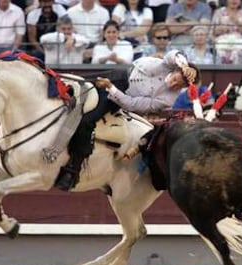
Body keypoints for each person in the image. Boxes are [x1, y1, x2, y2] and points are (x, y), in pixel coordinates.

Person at [55, 49, 198, 191]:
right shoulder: (167, 65)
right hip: (118, 74)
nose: (172, 85)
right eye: (175, 80)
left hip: (118, 94)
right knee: (71, 86)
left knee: (87, 121)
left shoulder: (168, 99)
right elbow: (173, 55)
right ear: (176, 70)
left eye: (178, 86)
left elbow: (132, 104)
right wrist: (184, 65)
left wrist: (110, 88)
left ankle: (72, 171)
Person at [211, 0, 242, 64]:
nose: (234, 1)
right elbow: (212, 32)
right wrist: (221, 28)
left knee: (238, 54)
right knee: (220, 54)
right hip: (222, 43)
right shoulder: (219, 12)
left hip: (238, 44)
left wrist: (237, 22)